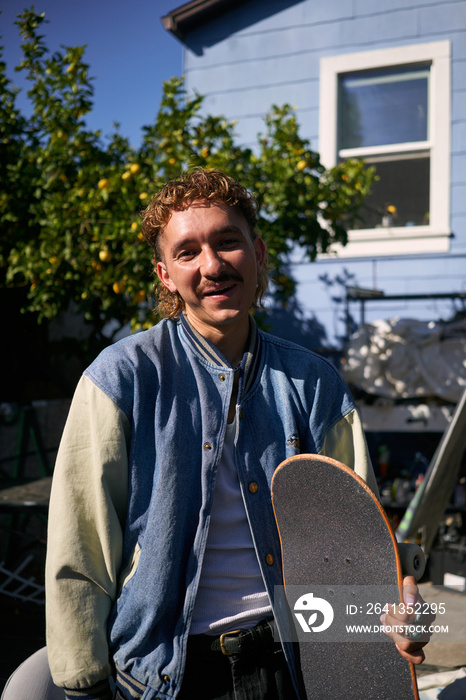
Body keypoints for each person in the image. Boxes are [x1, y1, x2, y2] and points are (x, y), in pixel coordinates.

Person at [3, 168, 430, 700]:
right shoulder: (119, 379)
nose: (212, 265)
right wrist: (83, 684)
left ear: (258, 252)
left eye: (228, 242)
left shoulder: (313, 382)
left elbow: (357, 543)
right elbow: (80, 550)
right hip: (162, 674)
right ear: (164, 274)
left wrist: (398, 610)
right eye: (187, 252)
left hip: (295, 665)